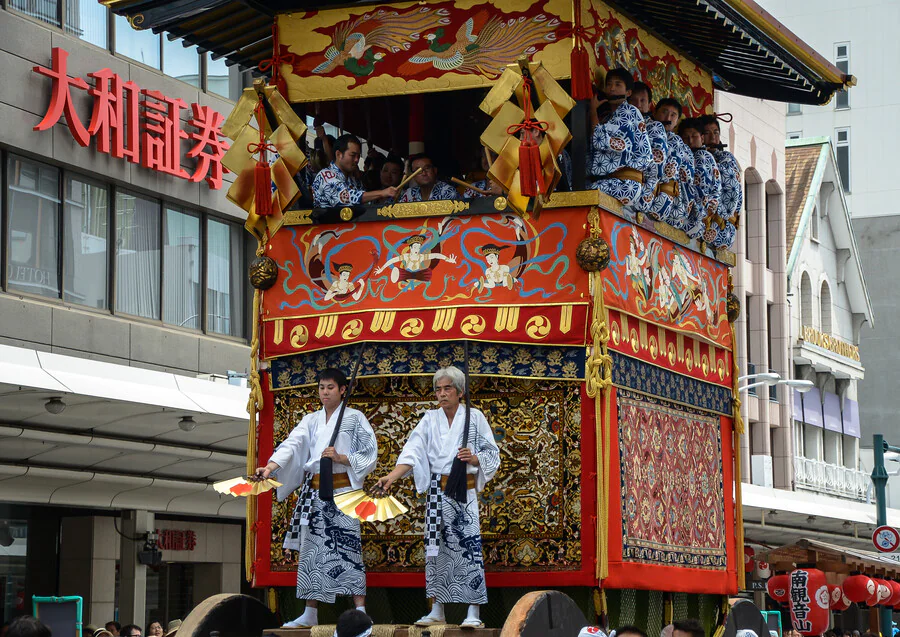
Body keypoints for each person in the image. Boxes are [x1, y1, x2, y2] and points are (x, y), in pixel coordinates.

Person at [374, 367, 500, 630]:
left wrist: (474, 458)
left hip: (463, 491)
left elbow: (492, 452)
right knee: (436, 551)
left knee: (468, 550)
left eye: (447, 389)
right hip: (436, 493)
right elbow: (412, 452)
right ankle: (437, 609)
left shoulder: (474, 418)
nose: (441, 394)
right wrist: (391, 477)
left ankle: (472, 611)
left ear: (460, 392)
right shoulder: (430, 419)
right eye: (438, 389)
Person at [254, 368, 378, 629]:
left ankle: (361, 610)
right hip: (315, 491)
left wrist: (342, 458)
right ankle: (310, 612)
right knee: (312, 553)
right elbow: (292, 444)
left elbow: (369, 452)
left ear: (343, 390)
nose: (325, 392)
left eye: (330, 387)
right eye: (321, 387)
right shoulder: (311, 420)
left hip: (344, 491)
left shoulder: (355, 418)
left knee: (348, 548)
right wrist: (270, 467)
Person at [587, 67, 652, 206]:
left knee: (584, 196)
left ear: (628, 92)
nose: (612, 88)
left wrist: (592, 111)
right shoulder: (610, 117)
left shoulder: (628, 111)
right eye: (609, 84)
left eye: (618, 84)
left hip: (624, 184)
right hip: (616, 182)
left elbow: (601, 140)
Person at [313, 134, 398, 207]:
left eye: (358, 156)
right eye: (353, 155)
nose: (357, 160)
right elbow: (346, 197)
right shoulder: (325, 175)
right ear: (338, 154)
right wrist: (381, 193)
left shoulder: (351, 178)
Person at [628, 81, 672, 222]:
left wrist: (645, 197)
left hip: (639, 193)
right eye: (633, 100)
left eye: (642, 100)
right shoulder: (619, 119)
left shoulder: (654, 127)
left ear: (650, 104)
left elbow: (656, 168)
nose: (638, 104)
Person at [700, 114, 741, 249]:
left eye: (716, 133)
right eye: (707, 133)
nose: (712, 137)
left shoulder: (726, 159)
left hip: (723, 226)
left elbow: (732, 189)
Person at [653, 98, 693, 231]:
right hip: (645, 193)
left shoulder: (679, 144)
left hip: (667, 202)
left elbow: (687, 181)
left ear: (676, 121)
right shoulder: (647, 129)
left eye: (673, 115)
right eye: (664, 112)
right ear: (655, 112)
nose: (668, 117)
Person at [678, 118, 721, 243]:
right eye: (686, 137)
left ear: (702, 138)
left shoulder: (701, 156)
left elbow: (700, 190)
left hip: (696, 218)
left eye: (694, 136)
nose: (690, 141)